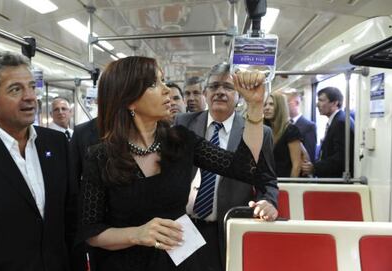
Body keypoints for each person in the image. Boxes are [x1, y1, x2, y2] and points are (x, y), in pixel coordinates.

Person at [78, 56, 277, 271]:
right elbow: (91, 231)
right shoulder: (100, 157)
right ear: (129, 99)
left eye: (163, 81)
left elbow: (245, 167)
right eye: (154, 84)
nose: (166, 91)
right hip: (124, 263)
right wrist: (136, 234)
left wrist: (255, 105)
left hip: (181, 260)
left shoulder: (180, 141)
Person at [0, 51, 78, 271]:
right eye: (16, 89)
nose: (30, 97)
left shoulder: (57, 143)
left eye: (32, 87)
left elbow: (70, 216)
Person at [175, 63, 278, 271]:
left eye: (228, 88)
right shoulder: (183, 124)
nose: (220, 92)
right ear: (205, 93)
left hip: (226, 228)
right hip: (183, 227)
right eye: (214, 86)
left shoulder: (259, 132)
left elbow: (267, 181)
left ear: (238, 95)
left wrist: (268, 202)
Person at [302, 87, 354, 177]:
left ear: (335, 103)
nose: (317, 104)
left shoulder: (340, 123)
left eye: (321, 100)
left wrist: (315, 167)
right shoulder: (337, 120)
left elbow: (341, 157)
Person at [264, 92, 303, 177]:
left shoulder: (291, 130)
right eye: (265, 105)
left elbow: (296, 165)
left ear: (280, 107)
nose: (267, 108)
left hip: (284, 183)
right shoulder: (264, 130)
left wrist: (291, 187)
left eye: (271, 104)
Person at [285, 91, 317, 163]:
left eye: (287, 102)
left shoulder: (309, 126)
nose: (284, 106)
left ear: (297, 103)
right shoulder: (284, 125)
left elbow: (309, 156)